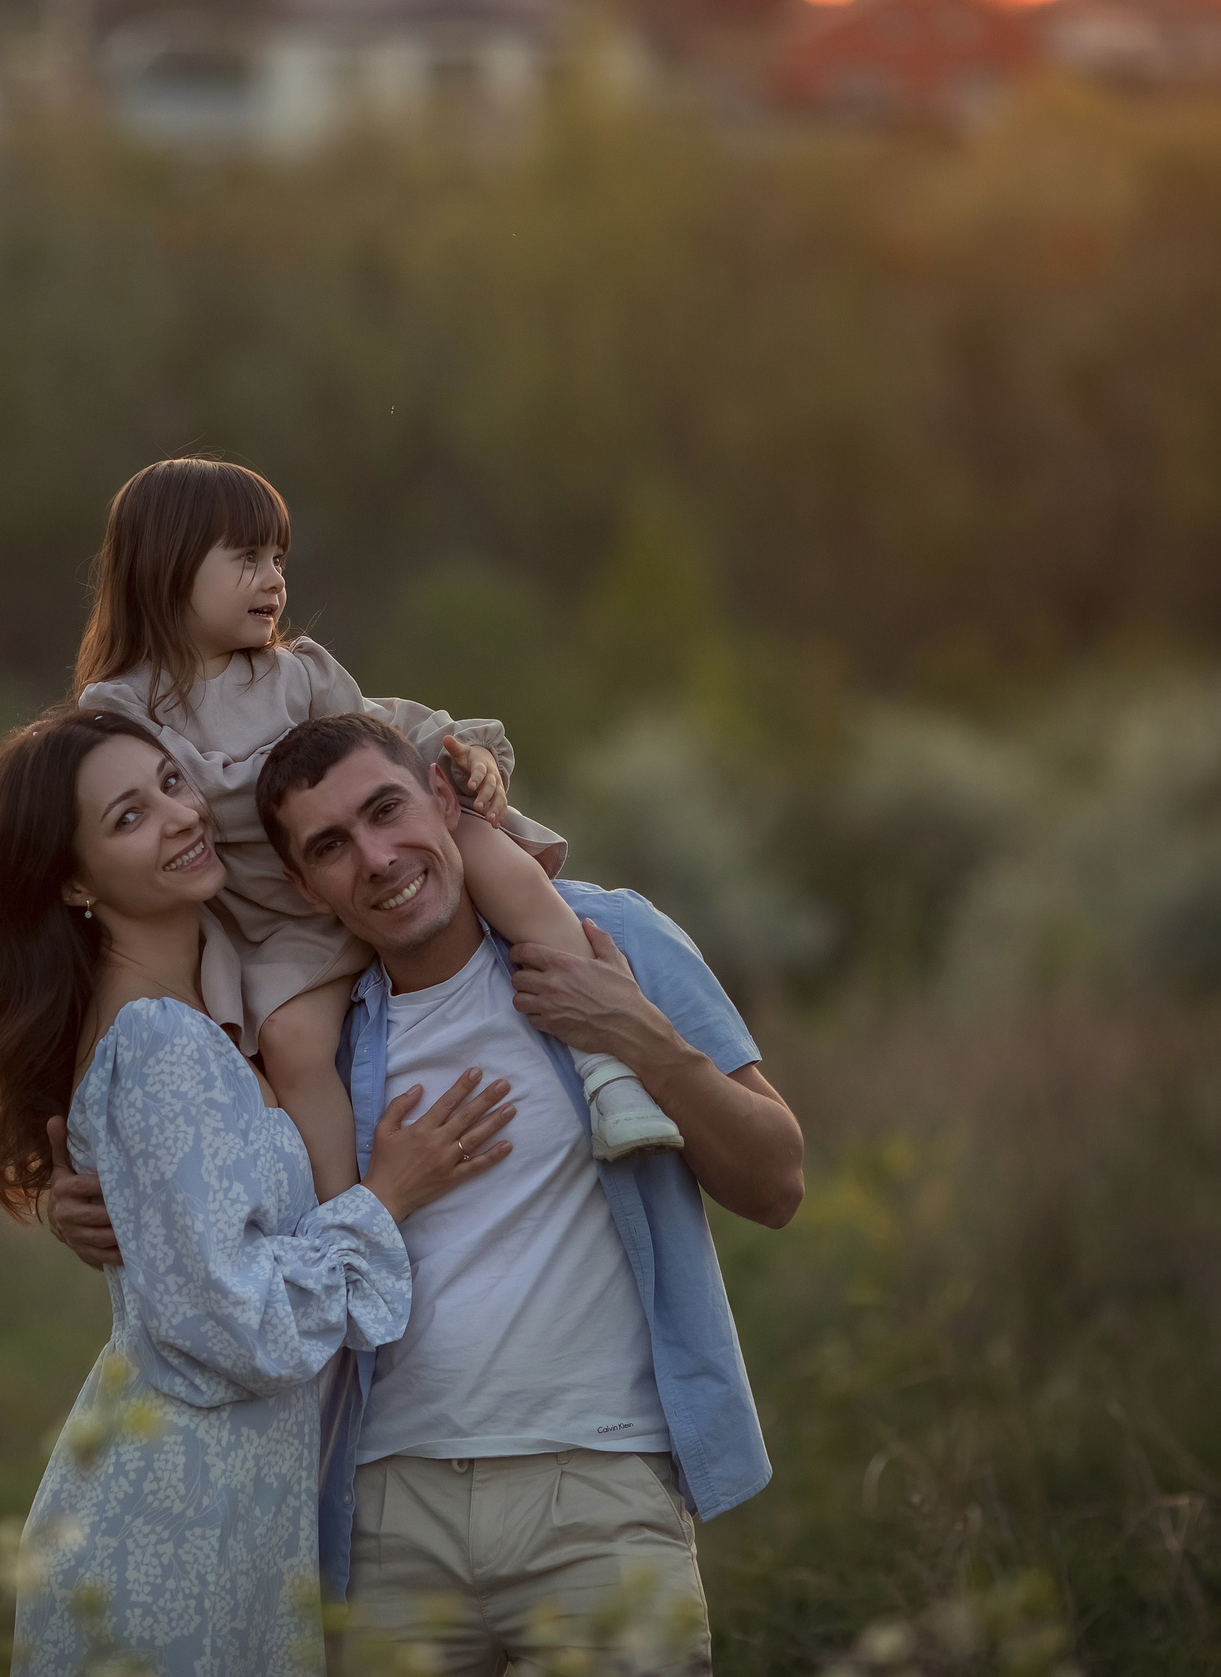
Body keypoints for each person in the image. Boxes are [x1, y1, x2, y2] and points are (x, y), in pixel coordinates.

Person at [50, 713, 805, 1675]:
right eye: (331, 846)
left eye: (388, 809)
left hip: (601, 1492)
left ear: (444, 802)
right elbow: (213, 1232)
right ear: (302, 886)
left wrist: (642, 1039)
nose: (376, 856)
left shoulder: (603, 937)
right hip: (382, 1516)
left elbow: (776, 1179)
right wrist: (82, 1208)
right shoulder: (311, 1049)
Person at [0, 706, 524, 1676]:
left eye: (173, 786)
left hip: (232, 1513)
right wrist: (385, 1196)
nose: (181, 817)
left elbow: (333, 728)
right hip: (176, 1516)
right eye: (128, 818)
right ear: (75, 882)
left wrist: (474, 764)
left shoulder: (200, 1025)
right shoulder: (161, 1044)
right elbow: (234, 1322)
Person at [74, 457, 687, 1183]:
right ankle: (345, 1216)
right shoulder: (121, 708)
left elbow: (376, 743)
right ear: (166, 566)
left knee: (494, 856)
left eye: (278, 558)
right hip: (283, 925)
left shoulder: (295, 672)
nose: (274, 578)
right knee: (293, 1041)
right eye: (247, 558)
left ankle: (609, 1071)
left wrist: (469, 755)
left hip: (388, 867)